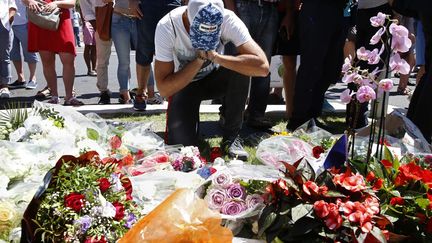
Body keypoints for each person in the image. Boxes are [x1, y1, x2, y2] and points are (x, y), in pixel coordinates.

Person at [154, 0, 269, 160]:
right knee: (182, 148)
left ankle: (232, 135)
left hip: (215, 80)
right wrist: (199, 60)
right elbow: (164, 89)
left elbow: (262, 67)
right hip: (184, 85)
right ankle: (190, 126)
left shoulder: (229, 19)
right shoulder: (167, 26)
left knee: (242, 66)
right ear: (188, 17)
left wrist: (217, 58)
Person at [286, 0, 347, 131]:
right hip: (316, 8)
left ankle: (312, 116)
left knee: (329, 68)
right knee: (311, 66)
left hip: (338, 9)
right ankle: (298, 119)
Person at [223, 0, 278, 130]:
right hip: (242, 6)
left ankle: (256, 115)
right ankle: (228, 115)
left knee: (263, 65)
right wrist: (231, 8)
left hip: (270, 7)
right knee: (235, 62)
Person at [24, 0, 83, 105]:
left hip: (62, 17)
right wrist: (30, 1)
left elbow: (72, 3)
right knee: (47, 62)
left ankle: (69, 97)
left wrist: (56, 3)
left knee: (68, 59)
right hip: (41, 19)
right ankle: (54, 96)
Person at [128, 0, 181, 110]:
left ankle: (175, 94)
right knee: (144, 50)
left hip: (174, 5)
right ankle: (141, 94)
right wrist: (132, 1)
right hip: (148, 6)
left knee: (176, 52)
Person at [110, 0, 137, 104]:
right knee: (124, 62)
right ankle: (126, 96)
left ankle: (149, 94)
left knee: (145, 59)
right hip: (119, 18)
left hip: (139, 18)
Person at [8, 0, 38, 90]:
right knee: (13, 53)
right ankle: (21, 79)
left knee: (30, 51)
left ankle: (33, 78)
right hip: (8, 23)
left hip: (24, 22)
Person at [0, 0, 16, 99]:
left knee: (4, 56)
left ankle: (5, 86)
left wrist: (8, 21)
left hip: (3, 24)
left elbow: (13, 8)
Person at [79, 8, 96, 76]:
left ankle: (94, 68)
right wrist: (84, 21)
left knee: (95, 47)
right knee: (88, 46)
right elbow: (81, 7)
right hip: (88, 21)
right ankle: (89, 69)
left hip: (97, 21)